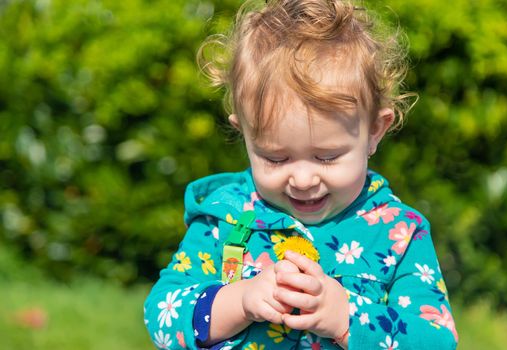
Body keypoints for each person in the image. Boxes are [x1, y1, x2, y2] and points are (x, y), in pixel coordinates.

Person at [144, 0, 458, 349]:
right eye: (276, 158)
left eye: (327, 157)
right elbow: (161, 314)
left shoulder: (398, 234)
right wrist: (239, 300)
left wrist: (346, 317)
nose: (303, 179)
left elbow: (437, 340)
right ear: (245, 134)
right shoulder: (225, 218)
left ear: (375, 131)